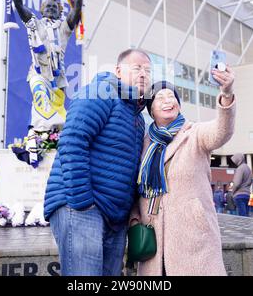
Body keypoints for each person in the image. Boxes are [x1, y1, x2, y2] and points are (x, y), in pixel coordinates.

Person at [44, 49, 151, 276]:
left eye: (148, 70)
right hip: (83, 207)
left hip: (115, 216)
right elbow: (72, 141)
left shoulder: (138, 117)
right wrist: (82, 202)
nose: (143, 74)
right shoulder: (100, 93)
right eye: (137, 68)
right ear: (118, 71)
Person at [130, 64, 236, 276]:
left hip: (194, 237)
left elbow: (221, 131)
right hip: (154, 238)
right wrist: (135, 219)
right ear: (151, 110)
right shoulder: (144, 144)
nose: (168, 101)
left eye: (172, 96)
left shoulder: (194, 133)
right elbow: (135, 186)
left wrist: (226, 93)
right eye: (160, 98)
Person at [7, 0, 82, 165]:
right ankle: (36, 139)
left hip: (58, 77)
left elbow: (76, 11)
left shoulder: (64, 27)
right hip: (38, 73)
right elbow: (19, 4)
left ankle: (50, 140)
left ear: (59, 11)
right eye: (47, 6)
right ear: (42, 10)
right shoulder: (34, 23)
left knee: (58, 110)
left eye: (54, 7)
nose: (50, 8)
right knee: (40, 99)